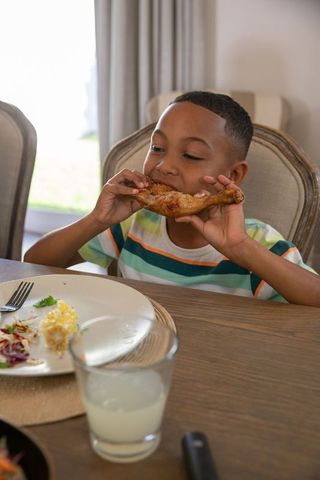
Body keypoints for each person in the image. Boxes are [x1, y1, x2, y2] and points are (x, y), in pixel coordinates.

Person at [24, 91, 320, 306]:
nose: (164, 166)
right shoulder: (133, 226)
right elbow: (35, 262)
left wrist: (242, 249)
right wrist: (96, 220)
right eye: (157, 148)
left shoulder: (254, 241)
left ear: (234, 174)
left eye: (191, 155)